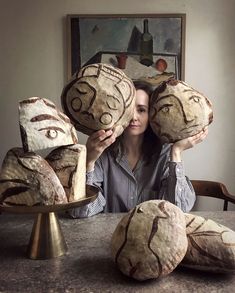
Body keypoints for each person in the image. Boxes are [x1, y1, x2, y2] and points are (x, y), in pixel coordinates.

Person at [69, 80, 208, 218]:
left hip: (153, 236)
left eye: (141, 110)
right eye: (129, 110)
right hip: (111, 235)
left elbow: (179, 209)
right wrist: (89, 162)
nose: (134, 117)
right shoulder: (102, 153)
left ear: (152, 115)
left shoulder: (164, 154)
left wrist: (176, 152)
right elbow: (81, 211)